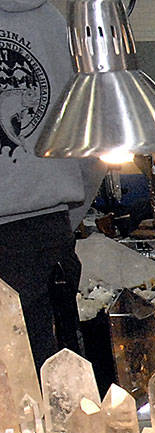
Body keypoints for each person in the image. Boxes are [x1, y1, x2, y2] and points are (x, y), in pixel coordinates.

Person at [0, 0, 103, 366]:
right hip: (51, 233)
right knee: (59, 384)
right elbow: (94, 142)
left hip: (42, 233)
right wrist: (65, 216)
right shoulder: (55, 22)